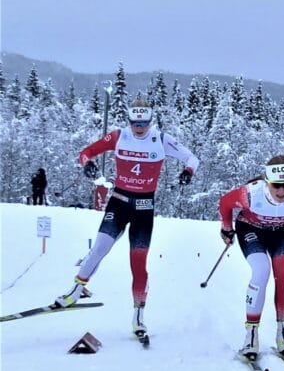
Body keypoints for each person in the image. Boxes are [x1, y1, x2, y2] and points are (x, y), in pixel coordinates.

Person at [53, 99, 200, 343]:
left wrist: (187, 173)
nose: (139, 128)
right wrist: (86, 165)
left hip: (144, 207)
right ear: (129, 120)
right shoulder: (118, 136)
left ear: (150, 121)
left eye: (143, 123)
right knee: (99, 248)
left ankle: (138, 316)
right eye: (135, 123)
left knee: (138, 261)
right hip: (119, 202)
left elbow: (193, 159)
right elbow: (85, 152)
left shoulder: (161, 139)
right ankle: (75, 292)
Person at [218, 155, 284, 358]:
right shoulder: (250, 194)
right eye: (276, 185)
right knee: (261, 270)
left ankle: (283, 333)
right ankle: (251, 334)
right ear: (267, 182)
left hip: (282, 231)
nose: (281, 191)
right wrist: (226, 229)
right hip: (251, 229)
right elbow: (225, 203)